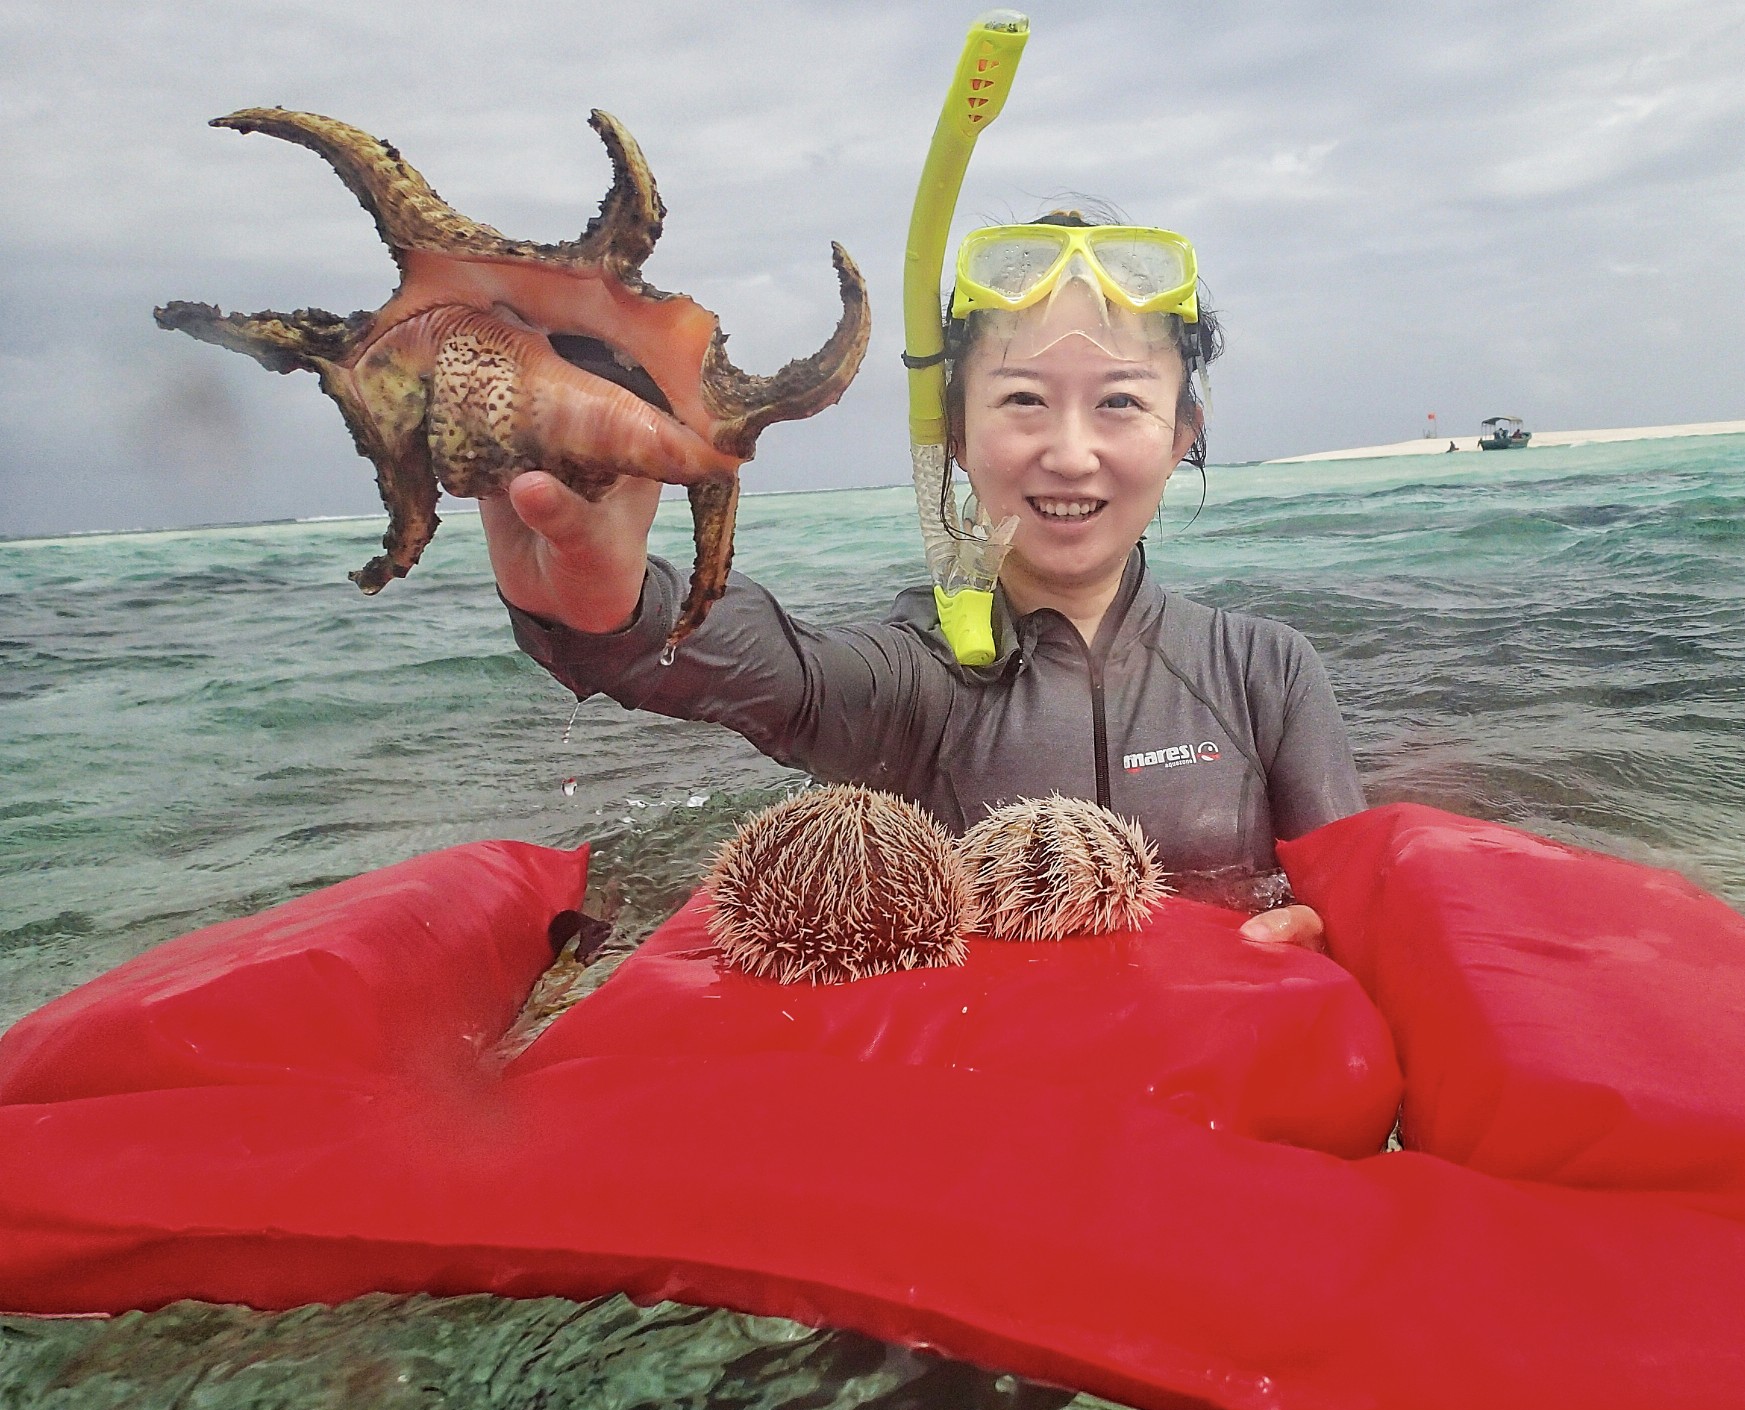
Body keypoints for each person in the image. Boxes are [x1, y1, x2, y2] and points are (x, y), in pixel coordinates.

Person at [480, 215, 1361, 948]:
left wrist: (1333, 933)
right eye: (1023, 399)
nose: (1070, 453)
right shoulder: (918, 681)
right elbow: (788, 674)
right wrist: (615, 603)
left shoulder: (1266, 672)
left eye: (1120, 402)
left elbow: (1363, 892)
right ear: (955, 435)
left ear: (1181, 434)